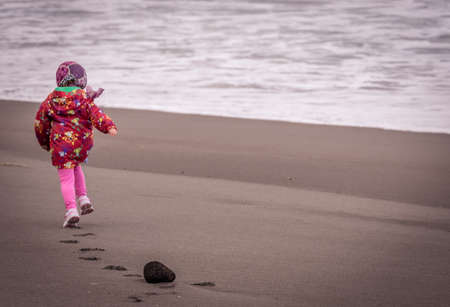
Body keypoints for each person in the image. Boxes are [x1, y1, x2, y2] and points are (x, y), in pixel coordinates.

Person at [34, 61, 117, 228]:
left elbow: (40, 121)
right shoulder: (83, 96)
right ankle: (84, 199)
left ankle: (71, 210)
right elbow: (95, 113)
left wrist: (44, 142)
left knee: (66, 178)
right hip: (80, 144)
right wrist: (109, 126)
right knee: (77, 167)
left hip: (61, 147)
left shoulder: (51, 98)